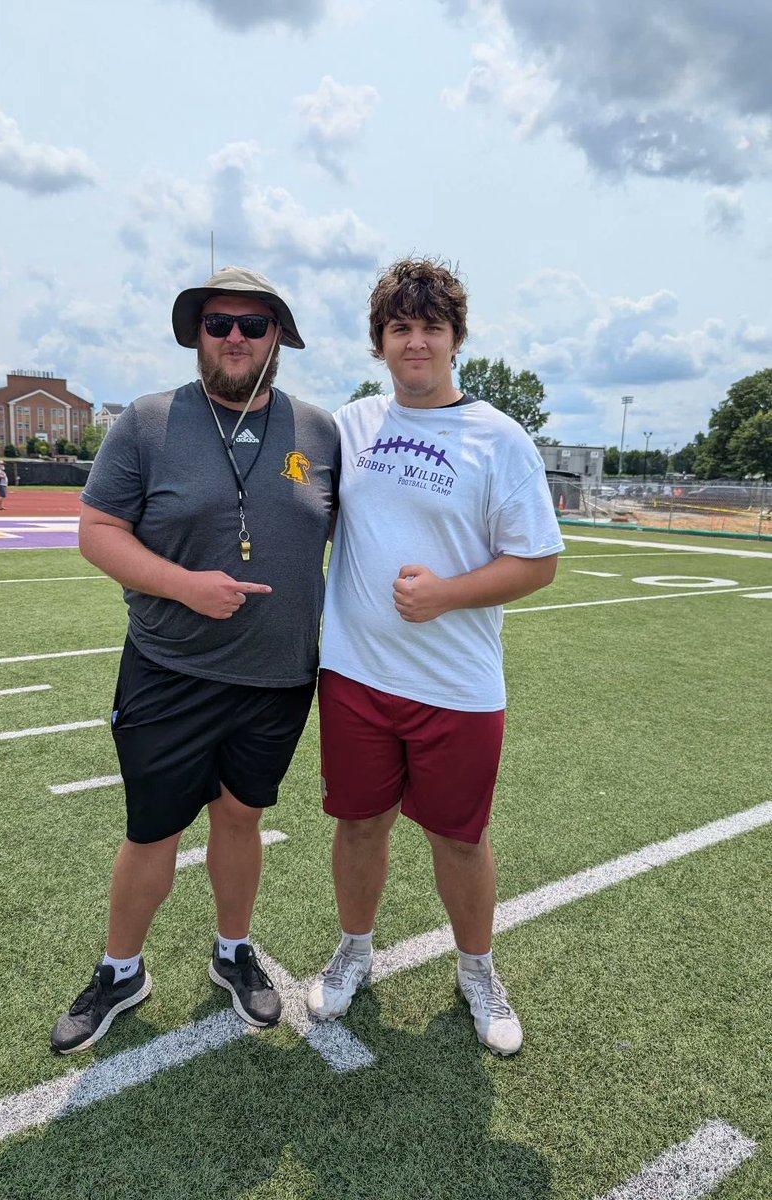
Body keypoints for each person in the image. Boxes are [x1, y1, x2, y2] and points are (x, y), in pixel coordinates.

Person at [51, 267, 339, 1054]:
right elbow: (97, 531)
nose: (236, 338)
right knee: (152, 829)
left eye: (253, 324)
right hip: (169, 666)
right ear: (196, 334)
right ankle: (121, 970)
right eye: (219, 324)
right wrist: (184, 586)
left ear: (279, 335)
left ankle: (232, 952)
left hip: (278, 676)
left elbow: (352, 538)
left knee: (241, 816)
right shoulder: (146, 422)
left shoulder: (319, 431)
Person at [307, 258, 563, 1055]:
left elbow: (538, 561)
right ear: (378, 343)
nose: (415, 342)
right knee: (358, 826)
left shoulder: (499, 438)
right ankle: (354, 950)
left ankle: (476, 968)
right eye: (399, 328)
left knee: (459, 837)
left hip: (456, 685)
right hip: (354, 676)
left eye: (430, 328)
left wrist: (447, 592)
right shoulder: (348, 427)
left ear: (455, 339)